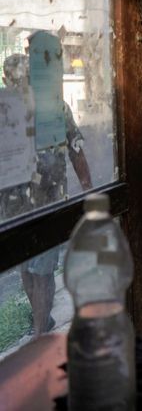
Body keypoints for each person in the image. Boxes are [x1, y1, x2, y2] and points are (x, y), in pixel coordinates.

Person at [0, 50, 93, 337]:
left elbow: (76, 149)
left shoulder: (55, 107)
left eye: (27, 77)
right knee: (25, 267)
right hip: (12, 206)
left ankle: (40, 331)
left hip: (49, 202)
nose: (22, 84)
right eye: (16, 79)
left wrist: (89, 191)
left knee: (43, 268)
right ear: (6, 78)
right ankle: (43, 320)